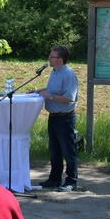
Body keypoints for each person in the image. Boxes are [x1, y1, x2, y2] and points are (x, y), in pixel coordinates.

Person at [36, 45, 79, 191]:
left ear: (60, 60)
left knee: (68, 151)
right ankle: (54, 179)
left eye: (52, 56)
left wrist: (50, 96)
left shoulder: (68, 74)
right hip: (53, 117)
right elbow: (51, 90)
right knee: (55, 150)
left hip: (65, 118)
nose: (49, 58)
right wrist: (37, 91)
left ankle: (71, 181)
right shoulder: (54, 72)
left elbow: (69, 98)